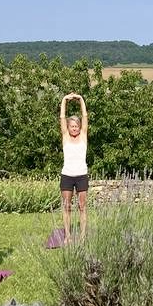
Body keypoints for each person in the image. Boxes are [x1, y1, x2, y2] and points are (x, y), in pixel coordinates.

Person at [59, 93, 89, 242]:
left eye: (76, 126)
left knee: (82, 207)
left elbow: (85, 116)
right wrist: (65, 100)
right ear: (68, 128)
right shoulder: (65, 136)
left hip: (82, 175)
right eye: (72, 126)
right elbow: (62, 118)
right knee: (66, 207)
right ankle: (68, 236)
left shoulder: (83, 136)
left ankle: (83, 236)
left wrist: (81, 100)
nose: (75, 128)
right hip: (67, 176)